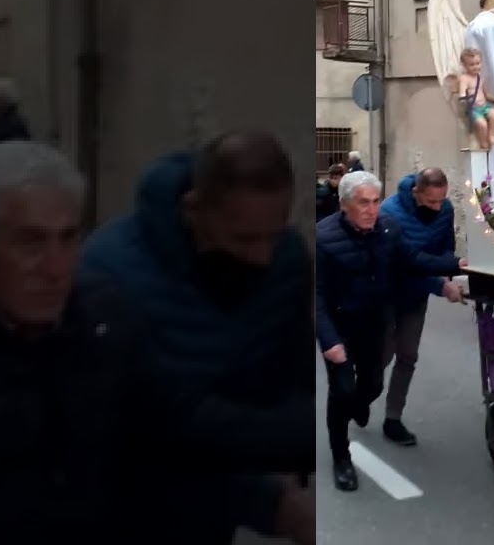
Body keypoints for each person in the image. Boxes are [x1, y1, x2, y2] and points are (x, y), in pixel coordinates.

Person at [0, 142, 314, 545]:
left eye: (67, 238)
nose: (54, 267)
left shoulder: (105, 318)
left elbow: (167, 437)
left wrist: (273, 503)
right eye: (30, 242)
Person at [79, 130, 315, 545]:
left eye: (273, 234)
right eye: (244, 238)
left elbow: (293, 374)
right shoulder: (107, 274)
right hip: (127, 515)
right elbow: (141, 428)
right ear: (193, 210)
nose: (262, 255)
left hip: (213, 517)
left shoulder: (287, 261)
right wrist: (269, 497)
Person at [315, 170, 464, 491]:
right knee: (341, 390)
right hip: (339, 325)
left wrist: (455, 265)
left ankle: (355, 406)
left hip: (374, 321)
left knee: (371, 385)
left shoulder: (388, 227)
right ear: (343, 205)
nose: (371, 209)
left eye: (375, 202)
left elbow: (413, 259)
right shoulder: (322, 239)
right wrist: (329, 340)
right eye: (363, 203)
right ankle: (341, 458)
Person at [376, 166, 463, 447]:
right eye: (431, 201)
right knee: (383, 356)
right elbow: (407, 263)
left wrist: (447, 275)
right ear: (416, 193)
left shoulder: (445, 209)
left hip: (416, 296)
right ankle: (360, 395)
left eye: (441, 200)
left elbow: (445, 247)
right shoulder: (389, 213)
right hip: (386, 293)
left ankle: (393, 418)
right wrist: (442, 283)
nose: (438, 207)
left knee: (408, 355)